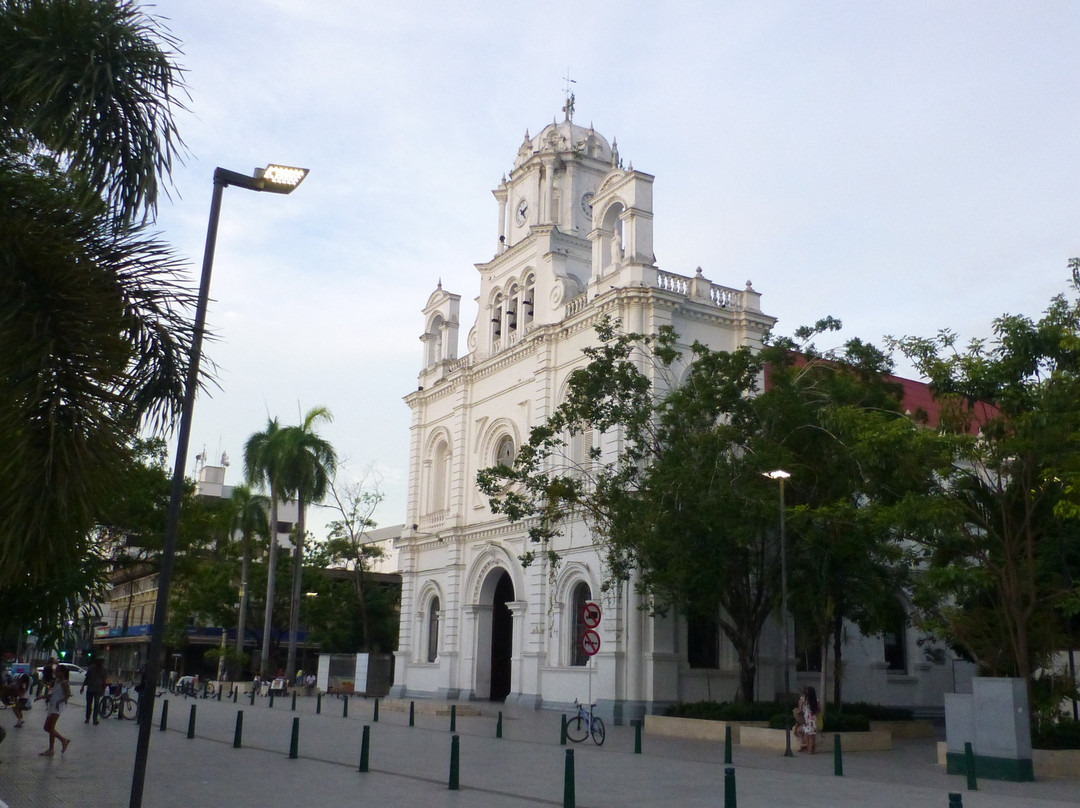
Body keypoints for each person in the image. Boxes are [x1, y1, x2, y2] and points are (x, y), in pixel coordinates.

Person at [38, 665, 71, 756]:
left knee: (51, 727)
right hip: (53, 705)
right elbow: (54, 693)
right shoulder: (57, 681)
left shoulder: (64, 683)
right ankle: (63, 740)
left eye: (57, 671)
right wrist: (43, 697)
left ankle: (51, 749)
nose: (55, 673)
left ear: (63, 673)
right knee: (47, 727)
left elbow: (68, 695)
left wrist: (59, 702)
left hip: (58, 707)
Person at [794, 685, 819, 754]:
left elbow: (799, 710)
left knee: (807, 735)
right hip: (813, 719)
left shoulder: (804, 701)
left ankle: (809, 749)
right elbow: (818, 710)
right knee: (812, 735)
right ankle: (811, 749)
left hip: (807, 719)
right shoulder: (816, 701)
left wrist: (796, 711)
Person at [81, 659, 106, 724]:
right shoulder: (91, 668)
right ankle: (88, 718)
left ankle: (94, 719)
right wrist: (83, 686)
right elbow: (87, 678)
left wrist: (103, 689)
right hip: (91, 689)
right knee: (89, 704)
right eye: (100, 661)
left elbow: (104, 681)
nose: (101, 663)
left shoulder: (103, 670)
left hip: (97, 689)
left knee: (96, 705)